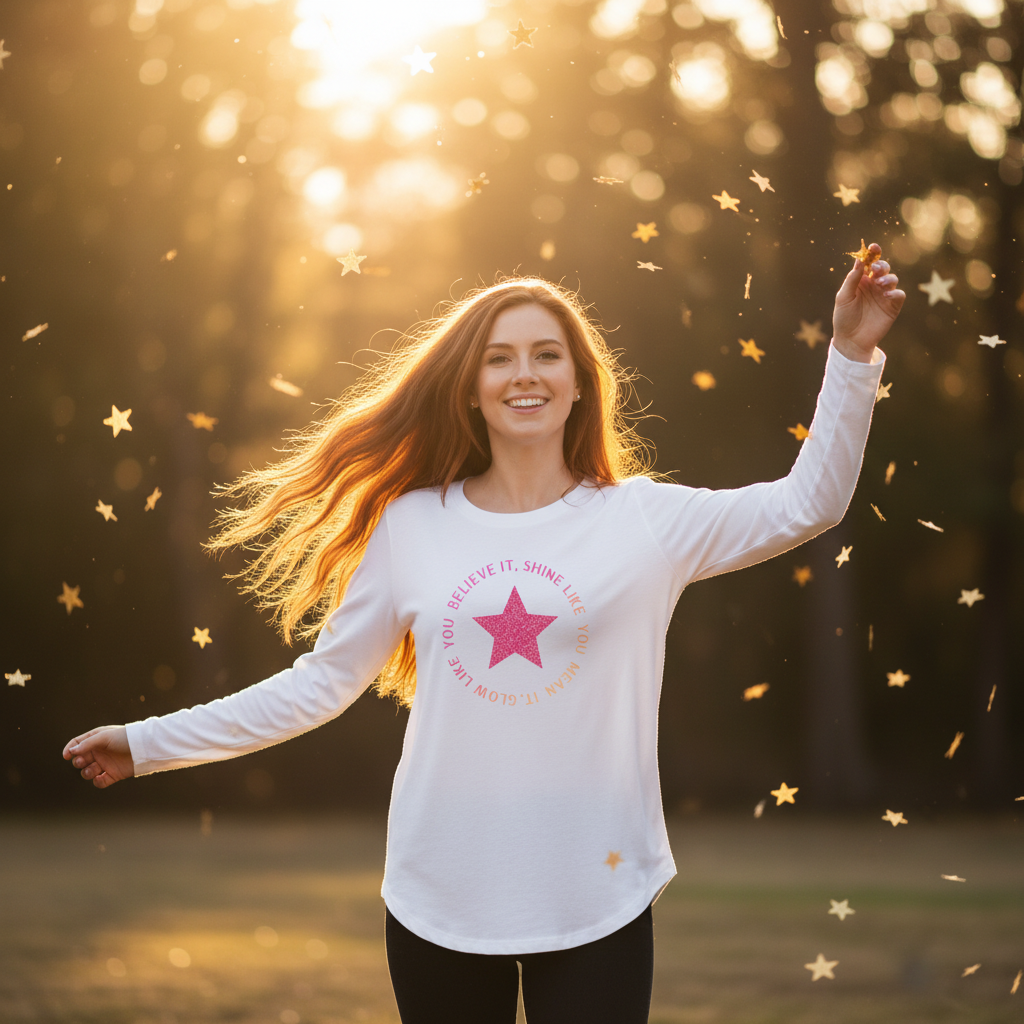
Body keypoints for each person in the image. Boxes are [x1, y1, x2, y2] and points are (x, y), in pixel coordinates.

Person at [64, 247, 904, 1024]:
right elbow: (320, 684)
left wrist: (851, 356)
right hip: (441, 891)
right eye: (499, 357)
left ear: (580, 382)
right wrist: (147, 743)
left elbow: (809, 504)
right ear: (470, 387)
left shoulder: (645, 519)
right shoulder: (412, 526)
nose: (523, 374)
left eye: (546, 354)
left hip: (597, 888)